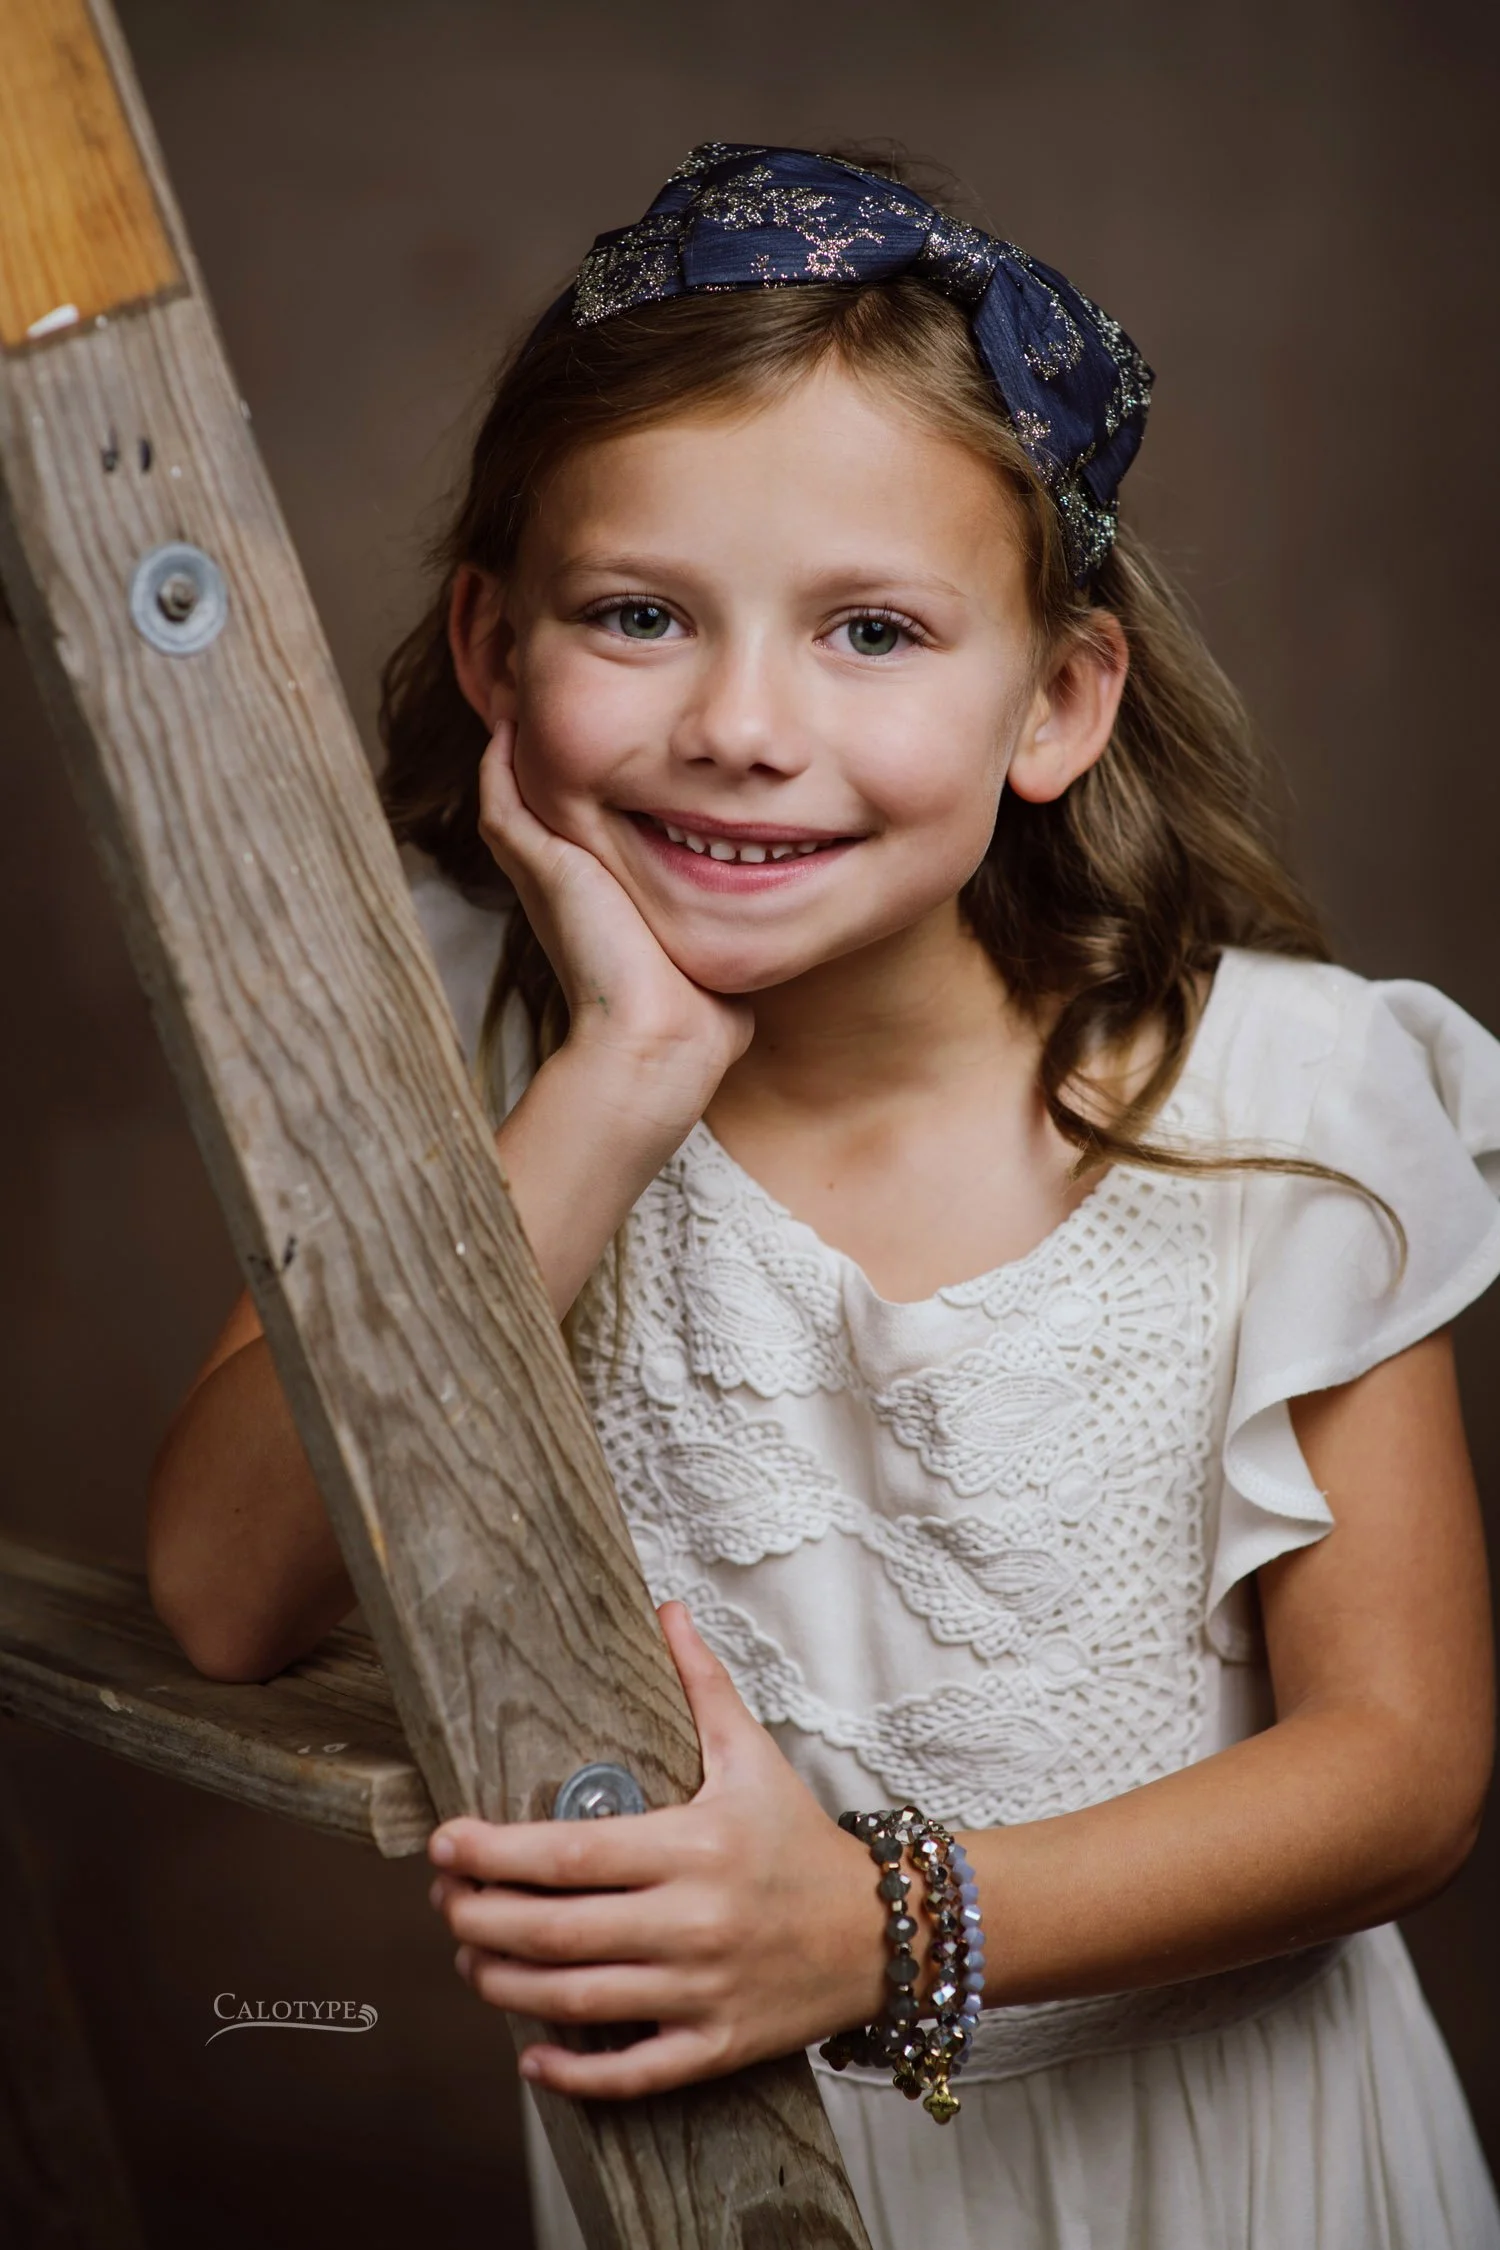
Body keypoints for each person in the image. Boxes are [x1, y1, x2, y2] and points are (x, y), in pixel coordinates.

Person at [146, 144, 1500, 2249]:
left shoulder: (1284, 1092)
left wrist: (880, 1928)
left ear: (1054, 699)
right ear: (495, 651)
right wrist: (617, 1086)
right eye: (637, 616)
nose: (743, 726)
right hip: (727, 2184)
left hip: (1236, 2171)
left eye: (872, 630)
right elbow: (230, 1593)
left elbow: (1405, 1765)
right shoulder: (472, 1071)